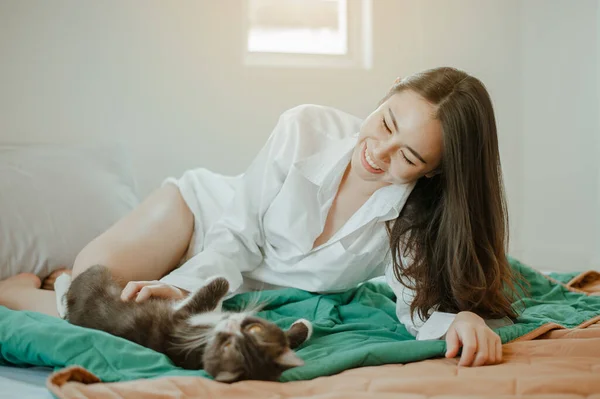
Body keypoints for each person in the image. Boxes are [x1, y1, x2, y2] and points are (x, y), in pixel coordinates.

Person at [0, 66, 520, 367]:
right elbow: (238, 236)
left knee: (124, 322)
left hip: (238, 281)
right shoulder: (304, 129)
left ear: (432, 174)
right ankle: (28, 289)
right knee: (91, 295)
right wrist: (182, 290)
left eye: (408, 157)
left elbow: (417, 308)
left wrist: (463, 318)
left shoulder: (413, 217)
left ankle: (42, 288)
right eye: (385, 122)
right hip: (201, 218)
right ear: (385, 96)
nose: (380, 153)